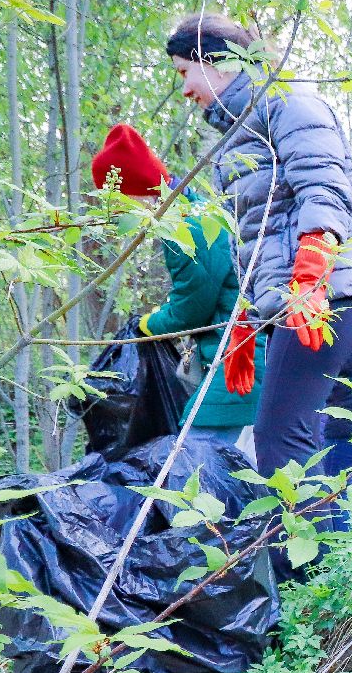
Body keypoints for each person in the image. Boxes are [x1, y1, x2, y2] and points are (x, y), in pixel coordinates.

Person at [165, 13, 352, 521]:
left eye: (185, 73)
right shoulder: (236, 136)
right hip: (295, 295)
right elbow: (258, 237)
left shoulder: (288, 105)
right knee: (348, 430)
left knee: (279, 440)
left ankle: (310, 585)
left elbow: (323, 187)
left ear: (214, 60)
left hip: (322, 291)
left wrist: (312, 271)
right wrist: (246, 320)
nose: (185, 91)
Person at [90, 124, 263, 459]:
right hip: (237, 351)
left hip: (238, 355)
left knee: (194, 459)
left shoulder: (184, 225)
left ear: (135, 191)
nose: (116, 213)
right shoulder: (189, 211)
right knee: (232, 463)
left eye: (117, 201)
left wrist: (149, 325)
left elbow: (193, 307)